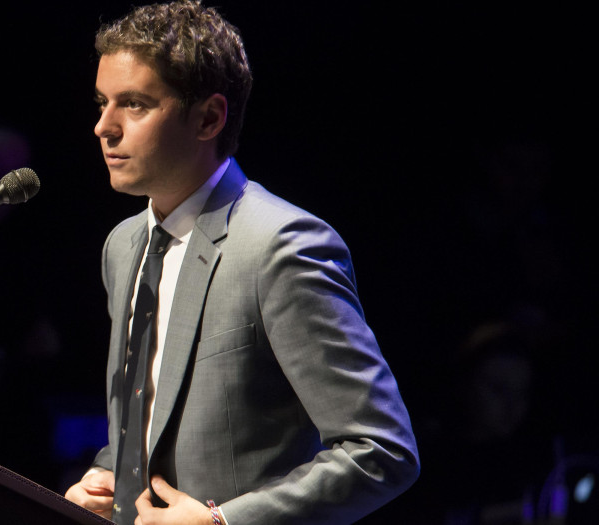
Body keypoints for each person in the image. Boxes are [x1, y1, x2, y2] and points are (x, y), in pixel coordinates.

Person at [62, 2, 420, 524]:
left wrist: (222, 522)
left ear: (209, 117)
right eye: (102, 102)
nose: (103, 126)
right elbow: (150, 423)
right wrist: (109, 477)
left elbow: (382, 451)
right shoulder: (123, 246)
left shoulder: (282, 246)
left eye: (134, 105)